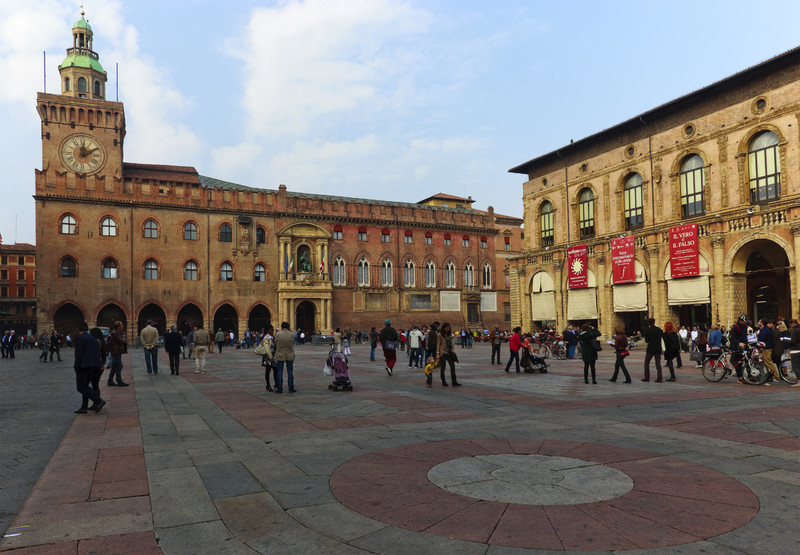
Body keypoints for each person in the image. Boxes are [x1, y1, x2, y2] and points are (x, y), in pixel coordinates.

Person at [73, 322, 106, 414]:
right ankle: (84, 407)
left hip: (84, 366)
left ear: (78, 329)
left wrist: (76, 366)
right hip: (94, 366)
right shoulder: (93, 339)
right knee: (85, 386)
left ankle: (98, 401)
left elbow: (78, 355)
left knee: (81, 387)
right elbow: (97, 353)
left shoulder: (81, 339)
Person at [274, 321, 296, 393]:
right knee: (290, 372)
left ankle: (279, 388)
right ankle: (291, 388)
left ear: (281, 327)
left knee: (279, 372)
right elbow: (293, 343)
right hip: (289, 354)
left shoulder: (277, 334)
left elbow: (275, 343)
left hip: (280, 354)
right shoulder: (292, 334)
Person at [436, 322, 460, 387]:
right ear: (443, 328)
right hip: (442, 353)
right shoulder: (440, 335)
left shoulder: (449, 334)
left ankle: (454, 382)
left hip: (449, 352)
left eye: (448, 328)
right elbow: (438, 344)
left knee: (452, 366)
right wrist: (437, 354)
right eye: (446, 328)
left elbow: (451, 342)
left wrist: (453, 348)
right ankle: (443, 382)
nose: (447, 329)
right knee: (443, 368)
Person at [729, 314, 750, 384]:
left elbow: (744, 337)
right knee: (736, 361)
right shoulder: (735, 327)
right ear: (741, 321)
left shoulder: (744, 327)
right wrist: (739, 343)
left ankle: (750, 376)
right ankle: (740, 377)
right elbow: (732, 339)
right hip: (736, 347)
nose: (746, 323)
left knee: (748, 361)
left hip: (744, 346)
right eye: (745, 321)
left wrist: (747, 344)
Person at [106, 321, 128, 387]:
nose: (122, 326)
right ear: (118, 327)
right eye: (121, 325)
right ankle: (119, 381)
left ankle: (110, 381)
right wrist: (124, 341)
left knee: (115, 367)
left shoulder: (116, 333)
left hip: (116, 352)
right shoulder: (115, 333)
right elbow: (120, 341)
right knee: (119, 366)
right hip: (116, 352)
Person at [643, 318, 664, 382]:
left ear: (648, 323)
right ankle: (659, 378)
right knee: (658, 364)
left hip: (651, 348)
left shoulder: (648, 330)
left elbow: (646, 341)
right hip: (658, 348)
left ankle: (647, 377)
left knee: (646, 362)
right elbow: (662, 337)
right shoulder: (659, 329)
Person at [259, 324, 277, 392]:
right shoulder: (266, 337)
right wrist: (270, 356)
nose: (272, 331)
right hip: (268, 357)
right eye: (271, 330)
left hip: (273, 356)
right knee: (268, 371)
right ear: (267, 331)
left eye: (273, 330)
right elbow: (266, 348)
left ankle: (276, 384)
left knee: (275, 370)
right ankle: (268, 385)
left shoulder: (272, 337)